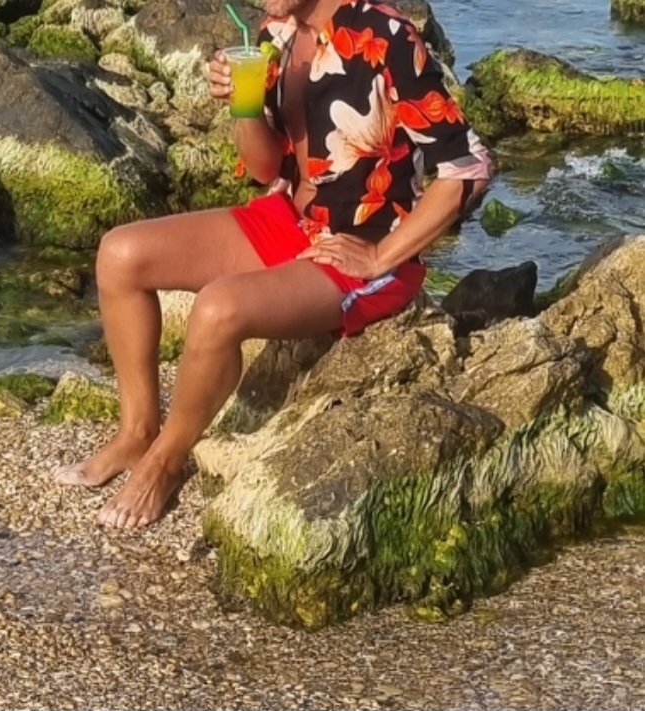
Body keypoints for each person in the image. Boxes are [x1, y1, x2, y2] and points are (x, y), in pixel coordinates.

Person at [53, 0, 493, 529]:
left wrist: (380, 255)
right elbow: (265, 169)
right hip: (289, 220)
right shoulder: (278, 34)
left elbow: (467, 168)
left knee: (218, 309)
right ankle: (136, 433)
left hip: (362, 247)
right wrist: (244, 106)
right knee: (120, 255)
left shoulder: (387, 35)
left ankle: (167, 460)